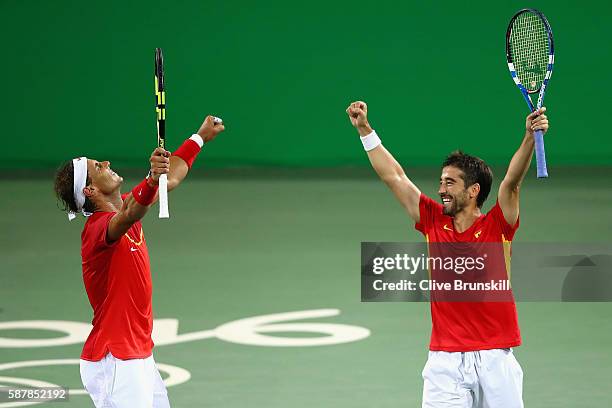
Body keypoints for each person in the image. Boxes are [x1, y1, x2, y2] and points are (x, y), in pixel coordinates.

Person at [346, 101, 549, 408]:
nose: (441, 189)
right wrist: (364, 130)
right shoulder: (431, 220)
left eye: (450, 183)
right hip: (446, 361)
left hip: (496, 359)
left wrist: (529, 137)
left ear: (473, 191)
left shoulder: (498, 225)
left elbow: (512, 183)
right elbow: (395, 178)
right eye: (441, 181)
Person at [53, 115, 225, 408]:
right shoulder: (96, 229)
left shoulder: (130, 204)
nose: (106, 163)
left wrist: (198, 139)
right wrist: (149, 178)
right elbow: (130, 214)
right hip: (115, 358)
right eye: (98, 167)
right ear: (89, 191)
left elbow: (170, 178)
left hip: (137, 354)